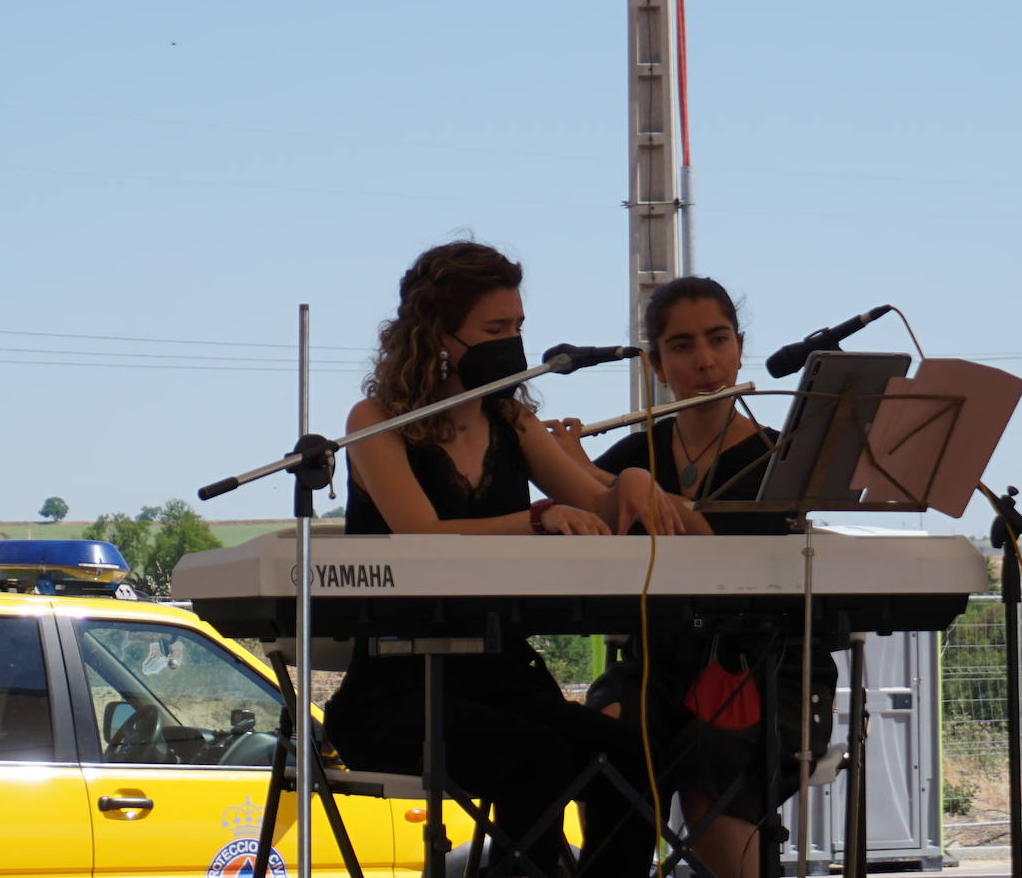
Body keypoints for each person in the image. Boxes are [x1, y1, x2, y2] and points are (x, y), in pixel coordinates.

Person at [322, 240, 683, 878]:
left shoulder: (512, 419)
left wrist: (626, 485)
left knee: (628, 755)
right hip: (398, 683)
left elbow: (596, 507)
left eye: (518, 327)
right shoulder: (376, 420)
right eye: (494, 329)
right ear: (436, 334)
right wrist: (537, 518)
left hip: (502, 673)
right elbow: (420, 532)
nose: (512, 342)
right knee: (536, 755)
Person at [544, 276, 838, 878]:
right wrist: (565, 468)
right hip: (659, 664)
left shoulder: (782, 459)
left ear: (739, 347)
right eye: (681, 347)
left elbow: (733, 564)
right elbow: (580, 542)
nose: (704, 362)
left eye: (718, 340)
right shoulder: (631, 456)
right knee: (606, 735)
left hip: (768, 668)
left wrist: (613, 485)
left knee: (712, 760)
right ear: (657, 364)